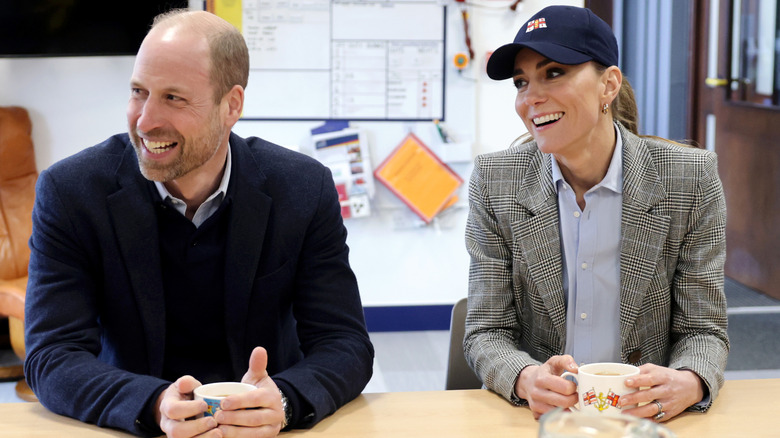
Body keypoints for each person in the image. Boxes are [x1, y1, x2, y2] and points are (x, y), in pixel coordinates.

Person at [24, 9, 374, 438]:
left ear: (232, 105)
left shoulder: (302, 188)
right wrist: (153, 405)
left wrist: (283, 400)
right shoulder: (71, 192)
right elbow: (52, 354)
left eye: (174, 97)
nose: (145, 120)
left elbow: (346, 343)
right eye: (139, 91)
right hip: (132, 426)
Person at [463, 5, 728, 424]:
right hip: (543, 419)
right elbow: (487, 332)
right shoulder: (496, 182)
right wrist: (525, 377)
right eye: (521, 81)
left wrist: (690, 379)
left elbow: (704, 330)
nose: (531, 97)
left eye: (553, 72)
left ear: (609, 85)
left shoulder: (690, 178)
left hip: (644, 419)